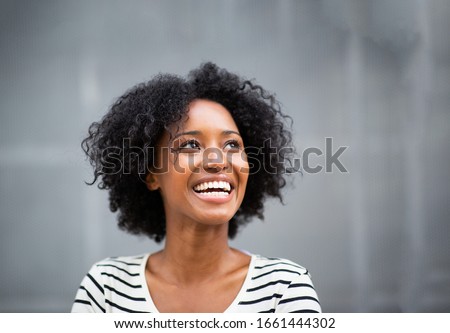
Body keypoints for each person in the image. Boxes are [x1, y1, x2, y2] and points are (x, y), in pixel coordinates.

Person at [71, 62, 321, 313]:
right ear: (151, 174)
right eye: (190, 145)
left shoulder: (285, 288)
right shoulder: (107, 288)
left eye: (232, 145)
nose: (218, 161)